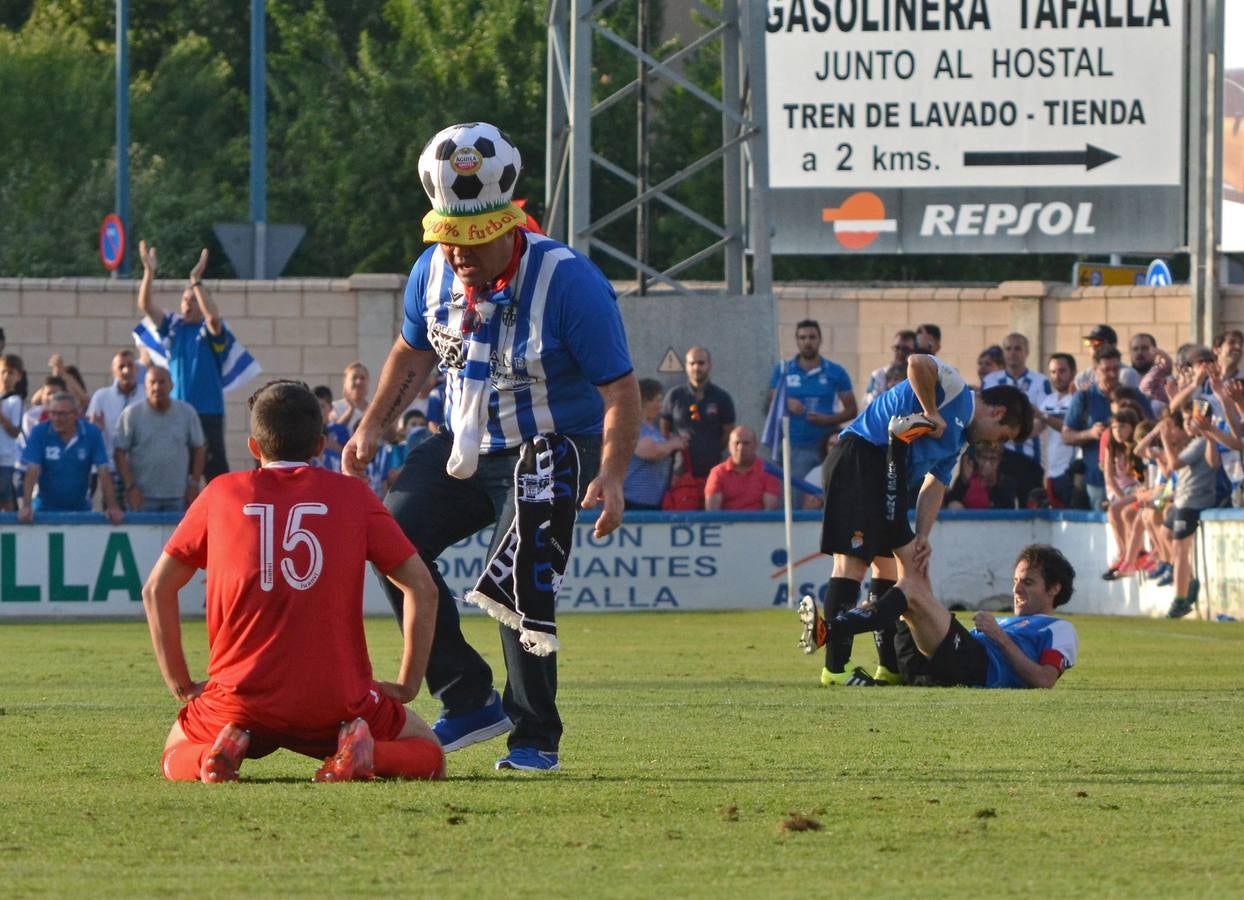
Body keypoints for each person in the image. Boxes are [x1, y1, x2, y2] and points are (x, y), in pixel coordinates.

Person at [342, 121, 640, 773]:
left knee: (519, 574)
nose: (460, 256)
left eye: (475, 242)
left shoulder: (570, 283)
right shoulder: (431, 271)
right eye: (449, 240)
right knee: (391, 537)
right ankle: (469, 697)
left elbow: (620, 390)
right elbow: (412, 351)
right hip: (466, 442)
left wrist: (613, 475)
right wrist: (373, 423)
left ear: (511, 226)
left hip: (552, 446)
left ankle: (535, 735)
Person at [142, 380, 444, 783]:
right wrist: (406, 683)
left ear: (254, 447)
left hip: (238, 700)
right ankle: (366, 757)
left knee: (175, 754)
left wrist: (182, 684)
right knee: (428, 753)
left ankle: (211, 759)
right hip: (337, 702)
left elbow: (156, 589)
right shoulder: (353, 495)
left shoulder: (221, 493)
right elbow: (422, 588)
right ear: (321, 446)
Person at [798, 353, 1032, 686]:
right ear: (998, 412)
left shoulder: (961, 440)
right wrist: (931, 412)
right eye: (1003, 436)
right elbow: (918, 361)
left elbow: (935, 484)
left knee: (893, 571)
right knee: (852, 565)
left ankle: (889, 667)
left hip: (888, 481)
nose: (996, 444)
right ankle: (835, 670)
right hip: (861, 458)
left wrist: (922, 535)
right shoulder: (954, 390)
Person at [810, 544, 1078, 689]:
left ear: (1054, 589)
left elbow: (1044, 680)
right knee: (907, 577)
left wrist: (999, 637)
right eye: (1016, 580)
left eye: (1028, 582)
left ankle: (830, 630)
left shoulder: (1060, 629)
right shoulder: (1011, 621)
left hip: (976, 665)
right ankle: (887, 669)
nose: (1016, 589)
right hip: (934, 668)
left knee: (909, 587)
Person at [135, 241, 260, 481]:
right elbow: (146, 305)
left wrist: (195, 280)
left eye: (193, 300)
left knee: (214, 473)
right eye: (184, 300)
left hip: (208, 412)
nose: (187, 304)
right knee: (179, 473)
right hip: (177, 411)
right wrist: (149, 273)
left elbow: (213, 317)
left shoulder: (212, 331)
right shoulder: (174, 328)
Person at [1062, 346, 1153, 510]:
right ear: (1096, 370)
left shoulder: (1134, 395)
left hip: (1135, 476)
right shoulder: (1084, 396)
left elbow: (1151, 429)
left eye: (1116, 369)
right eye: (1106, 370)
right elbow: (1066, 435)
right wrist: (1089, 433)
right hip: (1098, 479)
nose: (1112, 374)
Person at [768, 319, 856, 478]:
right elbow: (771, 403)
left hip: (826, 447)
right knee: (798, 498)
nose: (807, 342)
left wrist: (828, 419)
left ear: (820, 340)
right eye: (802, 338)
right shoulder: (783, 370)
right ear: (797, 341)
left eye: (812, 337)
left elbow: (852, 410)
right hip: (794, 446)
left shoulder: (836, 371)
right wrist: (786, 403)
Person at [113, 367, 206, 514]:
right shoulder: (131, 414)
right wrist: (130, 486)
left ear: (171, 386)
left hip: (179, 497)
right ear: (145, 386)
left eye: (162, 382)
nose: (157, 387)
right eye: (152, 382)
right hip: (142, 498)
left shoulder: (187, 412)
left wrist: (194, 483)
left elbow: (199, 448)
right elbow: (119, 452)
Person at [18, 392, 123, 523]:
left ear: (75, 414)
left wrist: (112, 506)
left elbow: (103, 471)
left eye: (62, 414)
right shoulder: (39, 431)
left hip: (80, 510)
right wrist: (26, 506)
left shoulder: (92, 433)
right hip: (44, 510)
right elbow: (32, 470)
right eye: (53, 413)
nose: (56, 418)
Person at [1158, 411, 1216, 619]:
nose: (1188, 422)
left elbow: (1174, 465)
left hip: (1193, 501)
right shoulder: (1192, 444)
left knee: (1181, 549)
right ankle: (1187, 578)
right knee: (1164, 533)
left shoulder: (1201, 443)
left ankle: (1180, 599)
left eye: (1190, 419)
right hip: (1181, 500)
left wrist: (1165, 440)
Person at [983, 332, 1049, 499]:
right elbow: (983, 416)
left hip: (1029, 458)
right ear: (1003, 353)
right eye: (1008, 348)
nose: (1013, 352)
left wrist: (1011, 434)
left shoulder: (1041, 381)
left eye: (1018, 348)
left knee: (1030, 508)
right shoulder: (990, 381)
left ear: (1026, 352)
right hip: (997, 459)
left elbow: (1042, 421)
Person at [663, 347, 735, 489]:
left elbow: (728, 432)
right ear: (686, 366)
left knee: (711, 508)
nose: (696, 367)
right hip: (681, 470)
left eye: (701, 363)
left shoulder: (722, 397)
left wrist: (710, 448)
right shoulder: (674, 396)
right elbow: (664, 428)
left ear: (709, 365)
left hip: (713, 469)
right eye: (692, 363)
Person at [86, 349, 145, 505]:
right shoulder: (102, 397)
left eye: (130, 366)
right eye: (121, 366)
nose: (126, 370)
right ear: (113, 371)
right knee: (114, 511)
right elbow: (90, 433)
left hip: (141, 468)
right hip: (111, 468)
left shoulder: (146, 395)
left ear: (136, 369)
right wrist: (96, 428)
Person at [625, 377, 684, 510]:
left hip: (654, 502)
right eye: (657, 400)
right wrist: (673, 444)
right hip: (634, 503)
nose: (661, 405)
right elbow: (649, 451)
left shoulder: (652, 430)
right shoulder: (633, 426)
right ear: (645, 401)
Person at [705, 426, 781, 511]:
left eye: (746, 443)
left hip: (759, 523)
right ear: (729, 446)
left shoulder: (769, 471)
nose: (740, 448)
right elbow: (712, 511)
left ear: (755, 446)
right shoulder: (717, 473)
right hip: (727, 523)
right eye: (736, 443)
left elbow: (770, 512)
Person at [1038, 352, 1079, 507]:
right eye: (1053, 372)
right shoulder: (1048, 400)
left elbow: (1068, 429)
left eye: (1062, 371)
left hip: (1070, 472)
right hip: (1050, 473)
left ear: (1073, 372)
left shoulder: (1077, 399)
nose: (1057, 376)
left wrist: (1043, 416)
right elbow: (1036, 429)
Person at [945, 444, 1019, 510]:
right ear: (977, 458)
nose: (987, 463)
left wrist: (993, 485)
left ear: (999, 460)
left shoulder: (1006, 483)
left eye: (992, 458)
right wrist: (964, 482)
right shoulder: (968, 477)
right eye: (984, 458)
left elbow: (1008, 509)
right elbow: (952, 501)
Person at [1075, 325, 1140, 390]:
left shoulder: (1127, 374)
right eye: (1089, 343)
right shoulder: (1083, 377)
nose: (1093, 347)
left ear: (1113, 345)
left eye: (1097, 342)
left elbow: (1127, 399)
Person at [864, 329, 917, 403]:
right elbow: (869, 404)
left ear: (914, 351)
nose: (900, 353)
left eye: (905, 349)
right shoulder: (879, 375)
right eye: (897, 348)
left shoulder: (918, 377)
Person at [0, 354, 25, 511]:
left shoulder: (15, 401)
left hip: (5, 459)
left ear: (18, 376)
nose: (6, 377)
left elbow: (15, 431)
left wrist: (2, 416)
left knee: (6, 498)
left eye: (10, 373)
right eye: (3, 372)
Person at [332, 361, 371, 432]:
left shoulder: (373, 408)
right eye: (354, 377)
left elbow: (391, 438)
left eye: (362, 378)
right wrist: (350, 410)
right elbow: (334, 432)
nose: (359, 382)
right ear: (345, 382)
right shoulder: (335, 407)